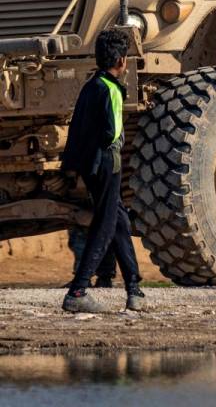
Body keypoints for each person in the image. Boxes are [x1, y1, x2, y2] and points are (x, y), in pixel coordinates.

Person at [60, 29, 144, 313]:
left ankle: (134, 289)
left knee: (118, 218)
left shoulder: (90, 85)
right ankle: (79, 289)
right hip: (108, 163)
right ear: (121, 61)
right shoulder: (112, 89)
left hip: (88, 165)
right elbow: (113, 134)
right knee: (107, 224)